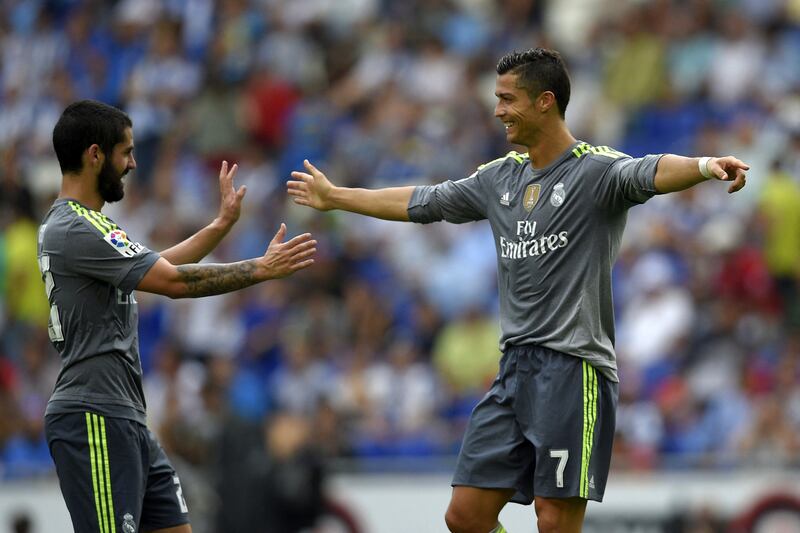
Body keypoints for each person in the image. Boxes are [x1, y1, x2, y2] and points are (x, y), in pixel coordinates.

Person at [287, 48, 749, 533]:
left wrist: (703, 166)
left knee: (553, 520)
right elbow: (423, 201)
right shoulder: (499, 177)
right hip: (514, 370)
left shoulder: (593, 171)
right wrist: (336, 196)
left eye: (508, 99)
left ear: (545, 101)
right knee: (465, 517)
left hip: (574, 371)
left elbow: (650, 170)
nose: (497, 110)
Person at [39, 100, 316, 533]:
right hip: (93, 414)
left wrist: (221, 225)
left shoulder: (85, 226)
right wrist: (260, 269)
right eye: (125, 152)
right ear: (94, 155)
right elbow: (174, 283)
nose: (132, 164)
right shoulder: (76, 227)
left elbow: (159, 266)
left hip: (125, 414)